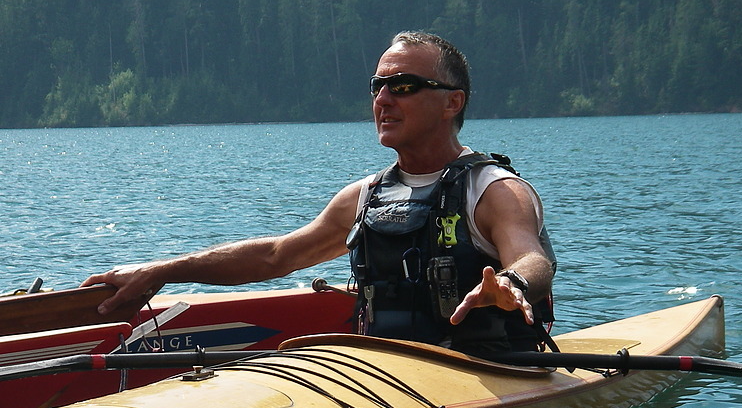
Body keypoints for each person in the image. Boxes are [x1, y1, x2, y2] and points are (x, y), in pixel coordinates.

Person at [83, 31, 556, 357]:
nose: (384, 99)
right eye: (378, 86)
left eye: (405, 86)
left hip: (490, 370)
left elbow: (532, 260)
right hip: (394, 376)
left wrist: (511, 286)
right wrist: (165, 269)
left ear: (453, 101)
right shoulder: (365, 196)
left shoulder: (494, 190)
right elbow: (274, 257)